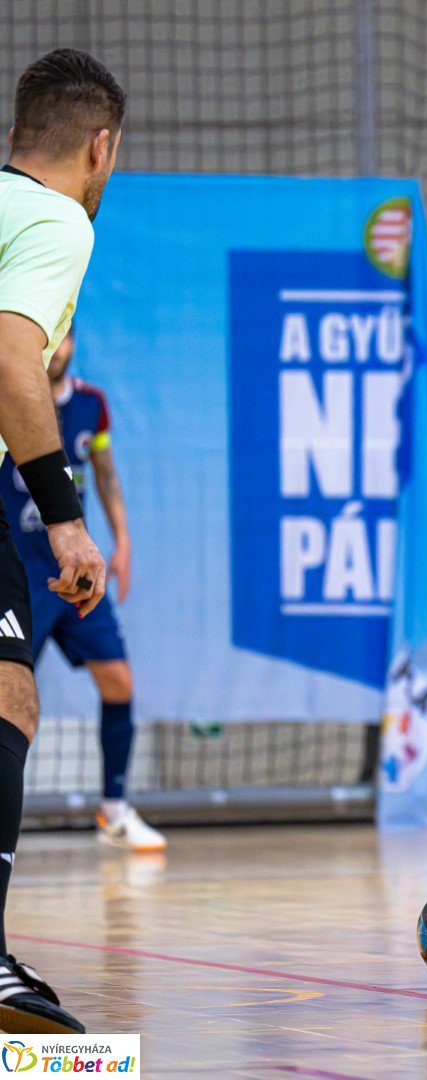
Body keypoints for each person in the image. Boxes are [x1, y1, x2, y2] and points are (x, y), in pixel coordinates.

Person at [0, 48, 123, 1034]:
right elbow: (11, 358)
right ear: (100, 146)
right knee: (10, 693)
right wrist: (66, 516)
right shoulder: (57, 218)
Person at [0, 327, 163, 853]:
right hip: (21, 574)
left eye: (65, 337)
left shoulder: (92, 404)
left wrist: (123, 540)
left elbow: (106, 474)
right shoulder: (10, 392)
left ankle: (114, 810)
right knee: (13, 702)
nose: (58, 347)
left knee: (118, 681)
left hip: (77, 571)